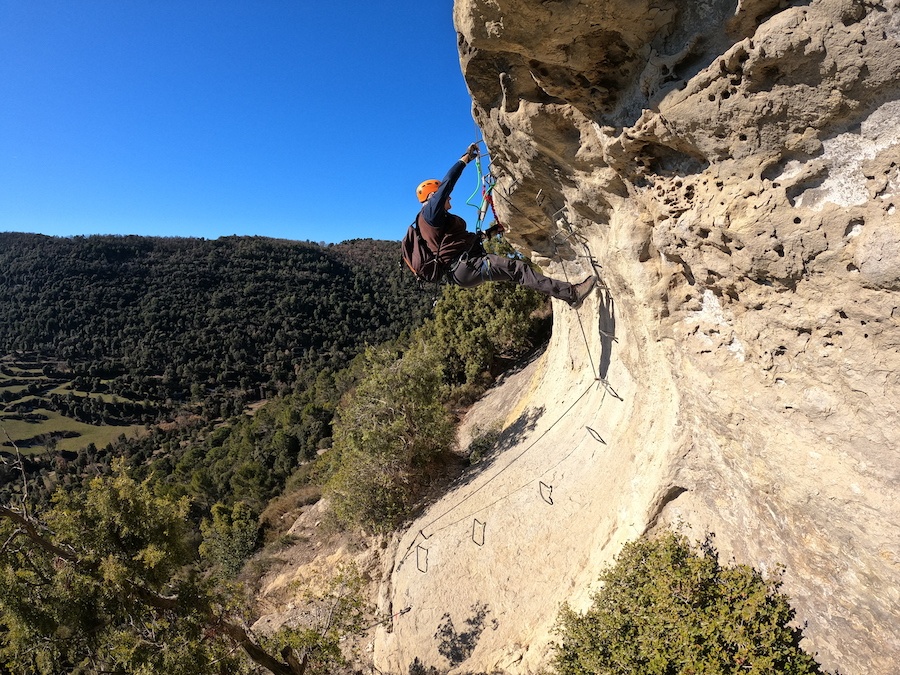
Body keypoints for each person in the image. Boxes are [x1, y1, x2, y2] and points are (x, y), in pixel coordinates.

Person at [415, 143, 596, 308]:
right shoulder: (430, 213)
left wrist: (491, 232)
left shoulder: (433, 221)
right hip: (466, 266)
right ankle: (572, 295)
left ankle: (570, 295)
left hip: (463, 269)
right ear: (433, 196)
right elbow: (448, 184)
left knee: (518, 273)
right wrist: (465, 159)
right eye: (442, 196)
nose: (449, 198)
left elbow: (460, 242)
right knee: (519, 269)